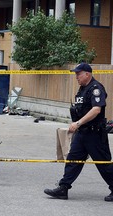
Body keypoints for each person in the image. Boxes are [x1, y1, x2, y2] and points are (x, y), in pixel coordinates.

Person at [44, 63, 113, 201]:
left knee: (103, 163)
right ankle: (63, 188)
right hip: (82, 133)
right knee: (73, 160)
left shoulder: (96, 88)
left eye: (78, 74)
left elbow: (96, 109)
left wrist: (78, 123)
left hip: (95, 134)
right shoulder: (82, 89)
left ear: (87, 74)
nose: (76, 77)